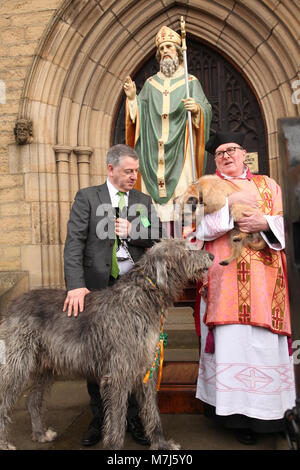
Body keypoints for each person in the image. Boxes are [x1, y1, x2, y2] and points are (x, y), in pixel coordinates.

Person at [194, 131, 296, 445]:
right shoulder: (208, 186)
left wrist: (264, 224)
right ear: (216, 160)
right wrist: (229, 212)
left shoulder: (269, 185)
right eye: (220, 153)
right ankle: (236, 417)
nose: (227, 156)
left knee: (263, 347)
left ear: (244, 153)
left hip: (265, 284)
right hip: (226, 284)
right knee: (234, 346)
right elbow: (201, 228)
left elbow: (286, 219)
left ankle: (272, 414)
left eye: (232, 150)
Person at [63, 144, 163, 447]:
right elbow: (74, 243)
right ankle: (100, 416)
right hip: (96, 288)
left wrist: (134, 229)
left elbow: (155, 234)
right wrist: (75, 285)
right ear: (111, 169)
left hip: (134, 293)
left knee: (133, 356)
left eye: (136, 171)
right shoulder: (88, 197)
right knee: (97, 354)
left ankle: (132, 417)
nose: (134, 176)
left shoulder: (143, 202)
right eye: (128, 171)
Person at [124, 25, 212, 228]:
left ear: (179, 52)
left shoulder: (190, 82)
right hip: (152, 155)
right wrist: (132, 100)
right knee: (152, 214)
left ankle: (185, 243)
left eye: (169, 47)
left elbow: (206, 111)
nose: (165, 52)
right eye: (162, 49)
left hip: (181, 151)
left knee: (183, 200)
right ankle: (151, 237)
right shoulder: (150, 84)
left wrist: (197, 109)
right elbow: (139, 118)